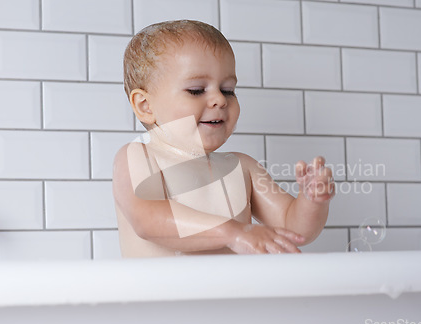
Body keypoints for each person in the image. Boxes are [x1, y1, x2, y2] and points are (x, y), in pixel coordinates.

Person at [112, 20, 335, 257]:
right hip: (164, 294)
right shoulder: (139, 156)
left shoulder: (243, 167)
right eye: (197, 90)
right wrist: (233, 232)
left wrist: (312, 202)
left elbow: (293, 229)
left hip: (235, 293)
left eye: (228, 89)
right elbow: (148, 219)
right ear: (146, 106)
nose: (220, 99)